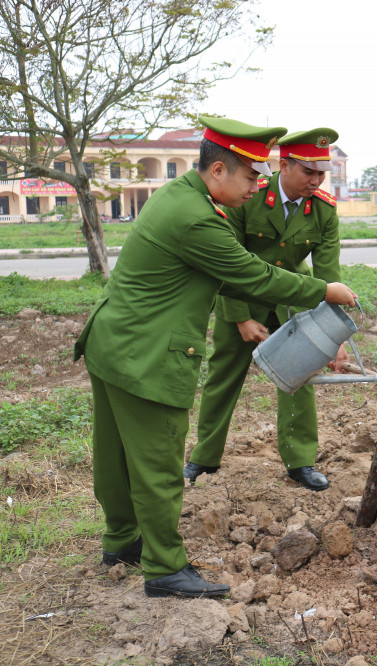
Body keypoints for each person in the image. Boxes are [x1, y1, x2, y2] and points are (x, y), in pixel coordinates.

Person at [74, 116, 357, 598]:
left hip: (114, 341)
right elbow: (252, 274)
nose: (256, 186)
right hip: (145, 355)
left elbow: (230, 274)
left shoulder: (177, 196)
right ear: (219, 170)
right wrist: (324, 291)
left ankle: (121, 541)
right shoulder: (198, 218)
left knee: (115, 454)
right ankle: (164, 567)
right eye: (250, 176)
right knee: (158, 464)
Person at [185, 127, 343, 491]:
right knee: (224, 377)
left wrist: (333, 333)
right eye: (308, 171)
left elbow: (329, 276)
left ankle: (300, 462)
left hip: (293, 303)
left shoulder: (323, 209)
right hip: (242, 297)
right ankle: (204, 458)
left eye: (321, 173)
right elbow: (225, 263)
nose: (316, 180)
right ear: (284, 166)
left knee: (299, 379)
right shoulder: (248, 196)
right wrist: (241, 316)